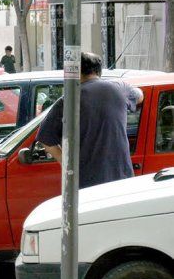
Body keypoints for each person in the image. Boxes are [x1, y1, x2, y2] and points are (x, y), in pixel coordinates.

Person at [36, 52, 144, 189]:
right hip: (121, 176)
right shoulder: (119, 89)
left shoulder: (68, 100)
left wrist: (68, 165)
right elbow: (140, 96)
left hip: (87, 181)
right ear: (99, 71)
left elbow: (46, 139)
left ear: (78, 72)